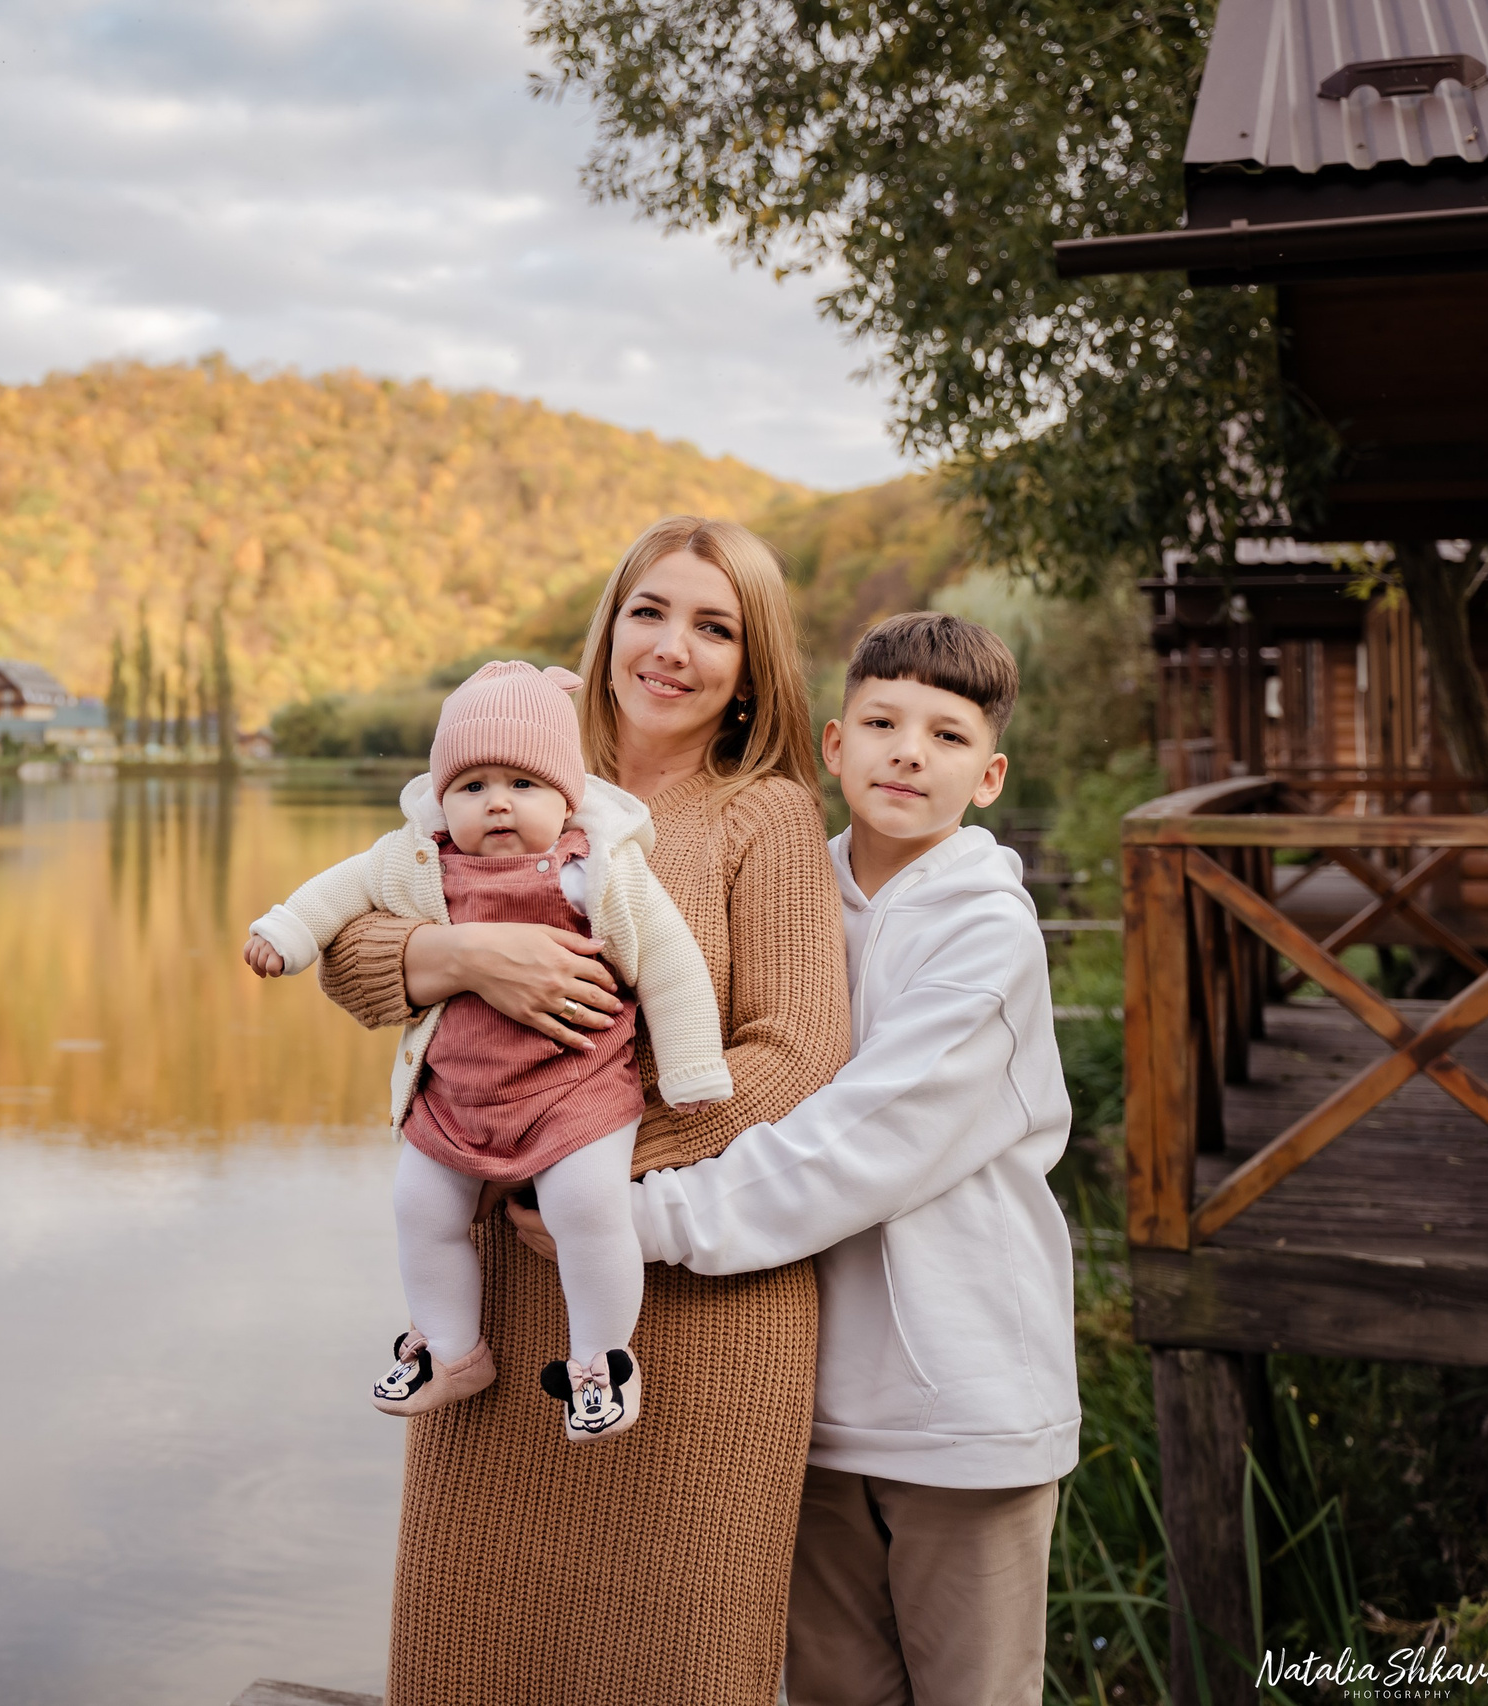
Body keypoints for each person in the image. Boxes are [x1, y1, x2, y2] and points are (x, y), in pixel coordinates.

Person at [317, 516, 851, 1706]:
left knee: (676, 1663)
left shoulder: (761, 815)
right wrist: (464, 954)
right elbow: (351, 952)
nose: (673, 647)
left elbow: (797, 1051)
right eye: (651, 610)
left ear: (752, 665)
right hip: (505, 1298)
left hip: (699, 1308)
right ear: (610, 623)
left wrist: (592, 1150)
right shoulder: (515, 766)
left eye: (714, 626)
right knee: (475, 1651)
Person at [519, 610, 1078, 1703]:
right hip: (808, 1402)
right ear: (832, 745)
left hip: (963, 1406)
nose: (908, 750)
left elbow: (860, 1144)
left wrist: (633, 1219)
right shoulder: (788, 888)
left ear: (990, 774)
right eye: (880, 720)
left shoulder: (986, 932)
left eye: (947, 735)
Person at [244, 660, 731, 1441]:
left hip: (574, 1093)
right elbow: (334, 894)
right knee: (420, 1207)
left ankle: (601, 1360)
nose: (497, 802)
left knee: (588, 1207)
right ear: (441, 800)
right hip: (458, 1100)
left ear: (566, 796)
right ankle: (450, 1347)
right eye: (471, 787)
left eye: (522, 784)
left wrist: (691, 1064)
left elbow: (669, 959)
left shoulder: (592, 871)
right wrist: (285, 934)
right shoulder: (415, 863)